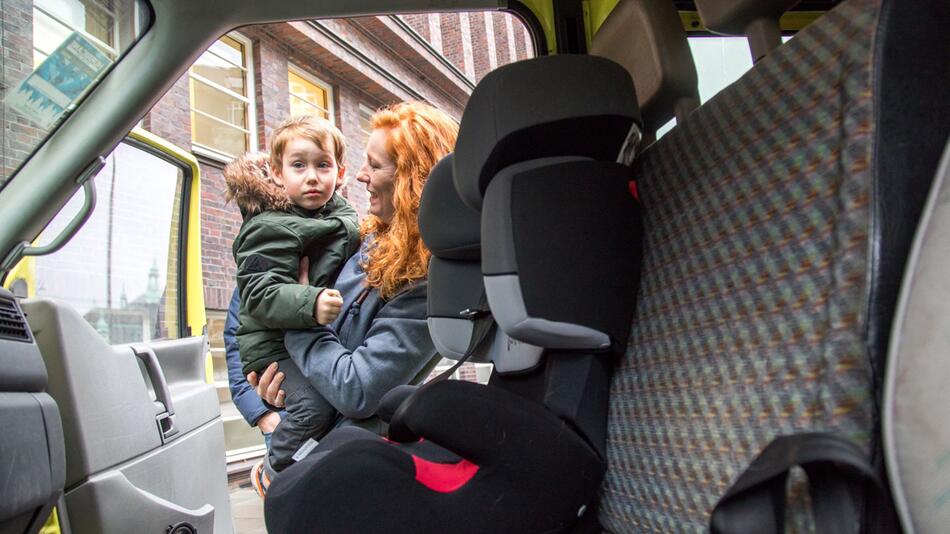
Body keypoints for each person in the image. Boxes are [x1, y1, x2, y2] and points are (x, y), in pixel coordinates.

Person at [248, 101, 457, 445]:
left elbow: (357, 389)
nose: (360, 174)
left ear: (412, 180)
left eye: (374, 165)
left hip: (339, 453)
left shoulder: (427, 282)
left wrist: (298, 320)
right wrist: (283, 379)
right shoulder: (365, 239)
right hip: (313, 437)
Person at [224, 115, 360, 490]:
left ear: (341, 172)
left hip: (306, 345)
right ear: (277, 173)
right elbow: (255, 294)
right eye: (298, 165)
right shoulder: (268, 226)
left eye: (323, 165)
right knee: (313, 408)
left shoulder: (335, 218)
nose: (312, 176)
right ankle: (273, 471)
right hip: (272, 347)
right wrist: (310, 301)